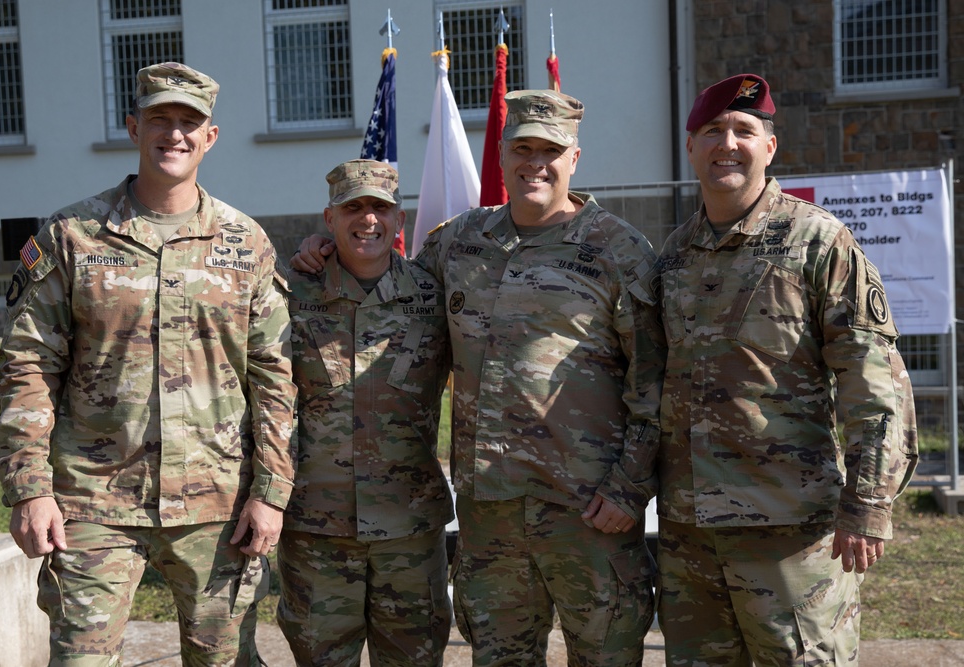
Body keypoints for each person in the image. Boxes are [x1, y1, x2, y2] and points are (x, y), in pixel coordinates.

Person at [295, 90, 666, 667]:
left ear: (575, 158)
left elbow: (654, 381)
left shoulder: (619, 249)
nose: (535, 162)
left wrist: (629, 489)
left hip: (587, 514)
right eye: (522, 148)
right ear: (501, 154)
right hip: (489, 516)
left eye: (551, 149)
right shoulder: (458, 243)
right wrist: (326, 253)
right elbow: (390, 293)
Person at [0, 62, 296, 666]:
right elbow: (27, 363)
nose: (174, 134)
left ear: (210, 137)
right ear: (133, 128)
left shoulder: (244, 242)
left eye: (190, 123)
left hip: (217, 503)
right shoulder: (73, 235)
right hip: (94, 502)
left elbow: (274, 376)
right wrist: (29, 488)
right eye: (160, 119)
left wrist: (272, 492)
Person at [655, 73, 919, 665]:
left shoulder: (819, 242)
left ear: (769, 147)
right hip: (688, 536)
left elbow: (872, 378)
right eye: (713, 131)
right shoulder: (672, 255)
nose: (728, 142)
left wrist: (870, 501)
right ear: (691, 146)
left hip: (790, 535)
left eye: (745, 130)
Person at [276, 159, 454, 665]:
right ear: (328, 219)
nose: (368, 219)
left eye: (380, 208)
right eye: (353, 207)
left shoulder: (434, 296)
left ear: (400, 220)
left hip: (410, 532)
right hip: (317, 531)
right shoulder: (290, 294)